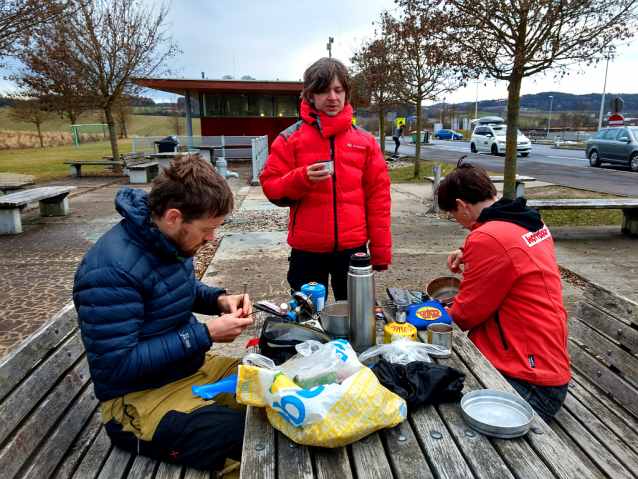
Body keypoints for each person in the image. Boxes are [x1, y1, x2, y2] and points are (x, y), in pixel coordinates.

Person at [73, 154, 253, 475]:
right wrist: (206, 334)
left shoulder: (164, 238)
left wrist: (220, 300)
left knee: (273, 388)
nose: (212, 237)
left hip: (189, 369)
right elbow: (118, 367)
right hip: (139, 401)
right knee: (247, 441)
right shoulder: (109, 271)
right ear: (173, 217)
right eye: (206, 229)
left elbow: (177, 288)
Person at [434, 158, 571, 421]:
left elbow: (465, 315)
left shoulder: (488, 238)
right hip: (548, 363)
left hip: (529, 382)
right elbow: (513, 250)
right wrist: (467, 251)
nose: (459, 222)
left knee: (440, 414)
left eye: (454, 215)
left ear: (462, 206)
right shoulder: (529, 219)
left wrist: (427, 314)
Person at [260, 57, 391, 301]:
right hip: (307, 251)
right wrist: (301, 178)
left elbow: (379, 198)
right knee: (306, 321)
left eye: (338, 90)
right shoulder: (290, 139)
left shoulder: (365, 142)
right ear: (310, 96)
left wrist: (380, 251)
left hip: (353, 250)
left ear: (346, 93)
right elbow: (270, 186)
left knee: (357, 320)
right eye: (323, 91)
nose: (332, 97)